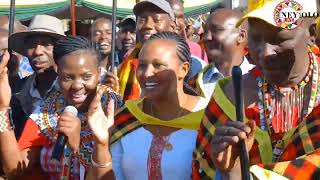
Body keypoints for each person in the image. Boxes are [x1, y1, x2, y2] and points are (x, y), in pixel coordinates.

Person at [192, 0, 320, 179]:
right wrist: (230, 168)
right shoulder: (229, 96)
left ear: (311, 33)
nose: (266, 52)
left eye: (280, 39)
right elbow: (203, 172)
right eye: (256, 38)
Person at [87, 31, 207, 180]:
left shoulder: (208, 117)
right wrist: (101, 144)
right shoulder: (127, 117)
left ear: (183, 69)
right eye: (142, 65)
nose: (147, 73)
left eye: (158, 65)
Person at [0, 36, 121, 179]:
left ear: (99, 73)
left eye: (86, 76)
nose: (77, 86)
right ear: (58, 75)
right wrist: (2, 108)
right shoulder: (48, 110)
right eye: (68, 77)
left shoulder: (117, 111)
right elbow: (15, 170)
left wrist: (76, 148)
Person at [8, 15, 65, 139]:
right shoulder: (16, 90)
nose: (38, 51)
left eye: (46, 44)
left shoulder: (71, 91)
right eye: (32, 45)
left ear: (59, 49)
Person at [118, 0, 176, 102]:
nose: (147, 25)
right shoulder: (127, 63)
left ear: (172, 26)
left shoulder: (188, 64)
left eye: (156, 20)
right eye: (142, 20)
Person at [203, 8, 254, 77]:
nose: (206, 37)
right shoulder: (197, 81)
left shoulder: (261, 80)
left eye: (216, 30)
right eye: (205, 31)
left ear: (241, 36)